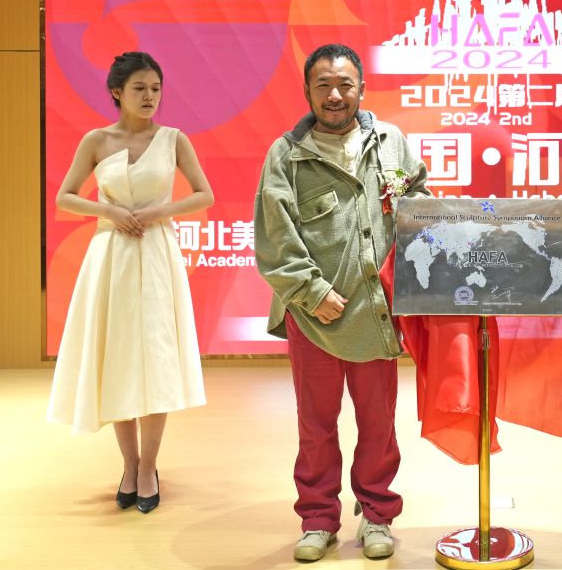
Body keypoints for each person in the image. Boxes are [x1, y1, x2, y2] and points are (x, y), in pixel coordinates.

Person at [254, 43, 429, 562]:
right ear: (307, 91)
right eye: (323, 85)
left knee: (379, 425)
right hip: (314, 317)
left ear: (361, 89)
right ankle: (317, 519)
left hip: (375, 313)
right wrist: (312, 293)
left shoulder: (390, 142)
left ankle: (377, 515)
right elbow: (275, 236)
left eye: (345, 84)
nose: (335, 95)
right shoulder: (286, 154)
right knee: (315, 426)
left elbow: (419, 200)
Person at [48, 51, 213, 514]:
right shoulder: (97, 140)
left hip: (157, 252)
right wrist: (109, 211)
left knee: (156, 359)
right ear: (117, 92)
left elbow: (204, 194)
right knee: (118, 357)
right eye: (139, 88)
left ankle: (149, 468)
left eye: (156, 88)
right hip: (112, 254)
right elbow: (65, 197)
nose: (149, 96)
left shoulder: (174, 139)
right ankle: (129, 464)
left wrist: (161, 211)